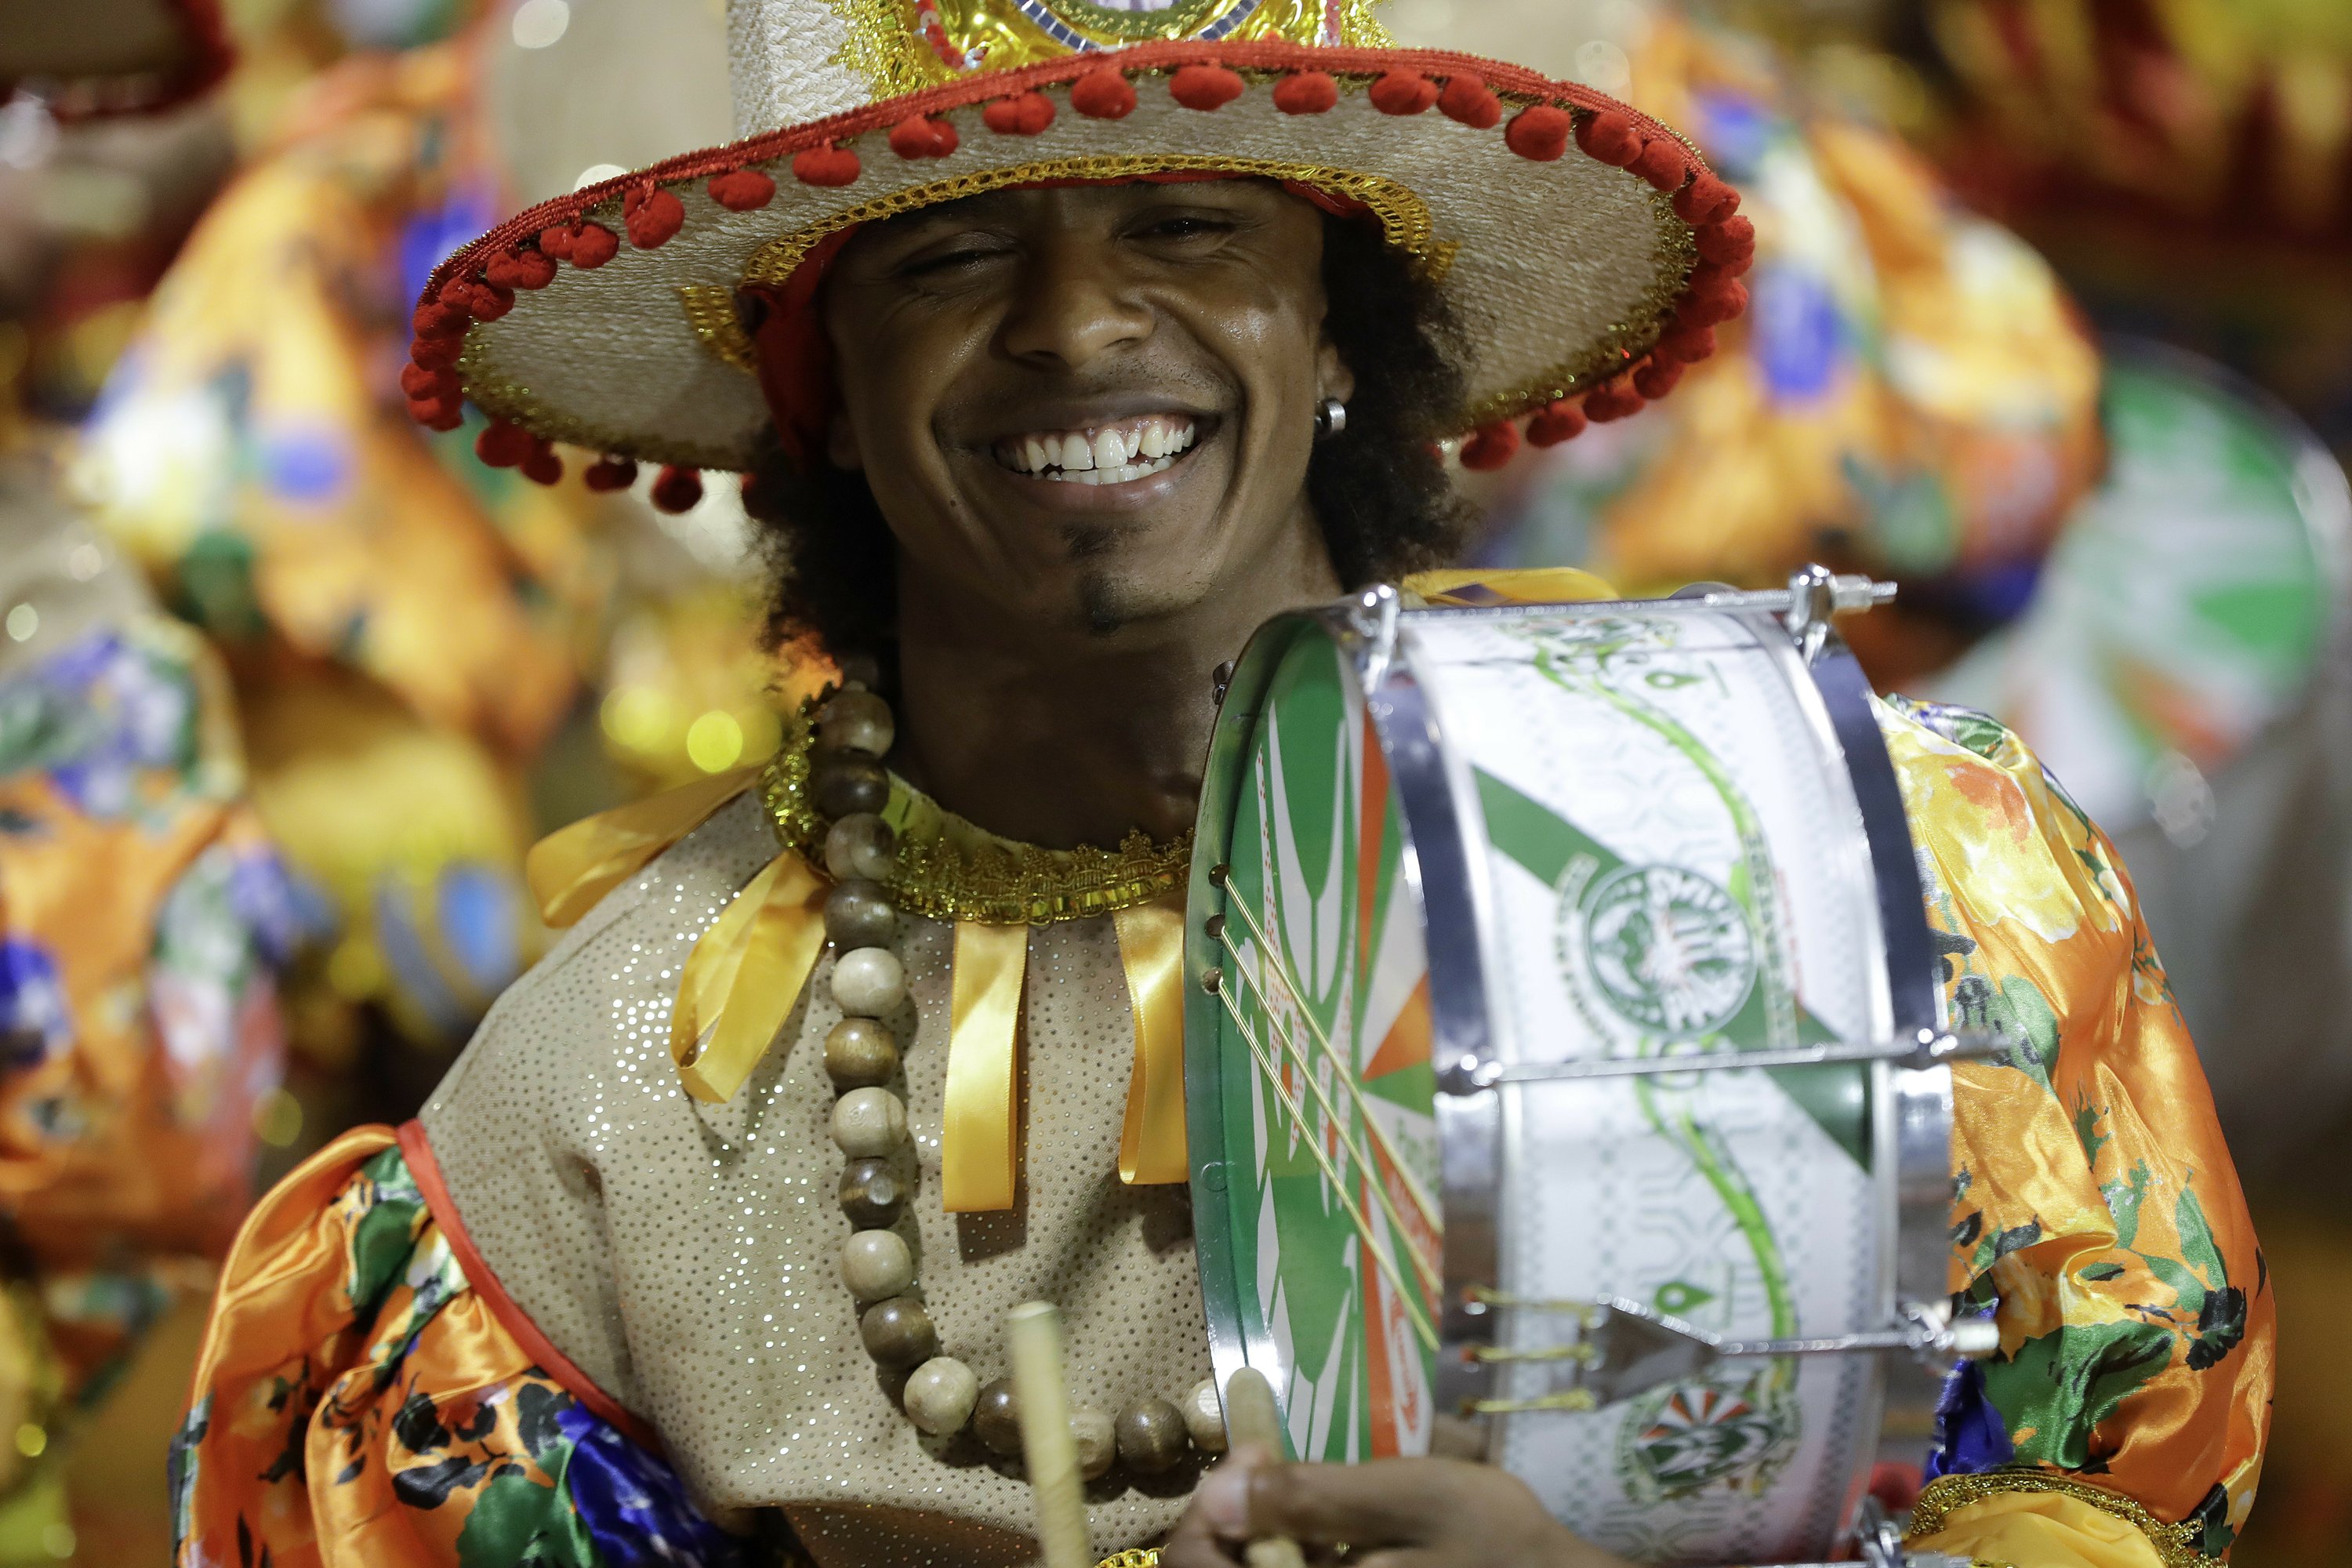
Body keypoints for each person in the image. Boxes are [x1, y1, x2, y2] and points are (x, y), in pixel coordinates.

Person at [171, 5, 2271, 1567]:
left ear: (1336, 323)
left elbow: (2125, 1500)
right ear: (825, 389)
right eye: (950, 254)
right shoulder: (595, 1114)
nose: (1081, 323)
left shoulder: (1845, 865)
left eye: (1187, 224)